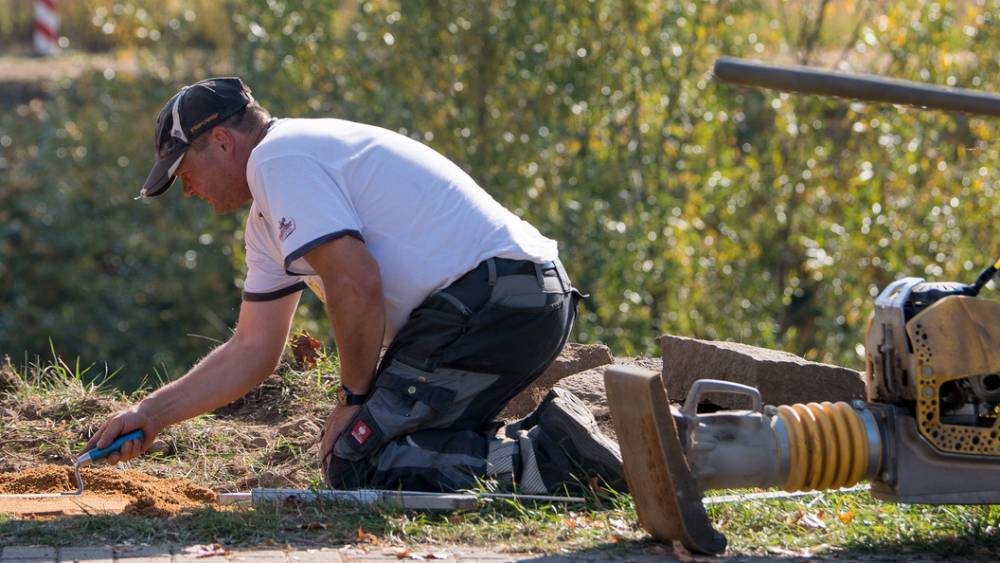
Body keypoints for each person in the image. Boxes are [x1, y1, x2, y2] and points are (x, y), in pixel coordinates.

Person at [87, 77, 626, 494]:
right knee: (387, 447)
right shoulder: (269, 214)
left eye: (184, 172)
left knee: (356, 458)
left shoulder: (281, 159)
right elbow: (252, 350)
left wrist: (354, 399)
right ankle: (549, 448)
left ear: (223, 141)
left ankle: (556, 456)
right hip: (517, 299)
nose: (186, 191)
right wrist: (148, 416)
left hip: (496, 301)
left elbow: (357, 283)